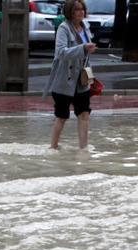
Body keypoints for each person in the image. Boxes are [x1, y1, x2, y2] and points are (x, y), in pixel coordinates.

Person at [44, 0, 96, 150]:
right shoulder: (63, 28)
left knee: (84, 113)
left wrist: (90, 78)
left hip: (82, 79)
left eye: (82, 9)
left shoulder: (85, 28)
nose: (81, 12)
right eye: (76, 10)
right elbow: (61, 52)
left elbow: (87, 57)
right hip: (64, 79)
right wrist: (83, 48)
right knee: (61, 116)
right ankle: (53, 147)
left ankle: (83, 148)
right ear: (69, 12)